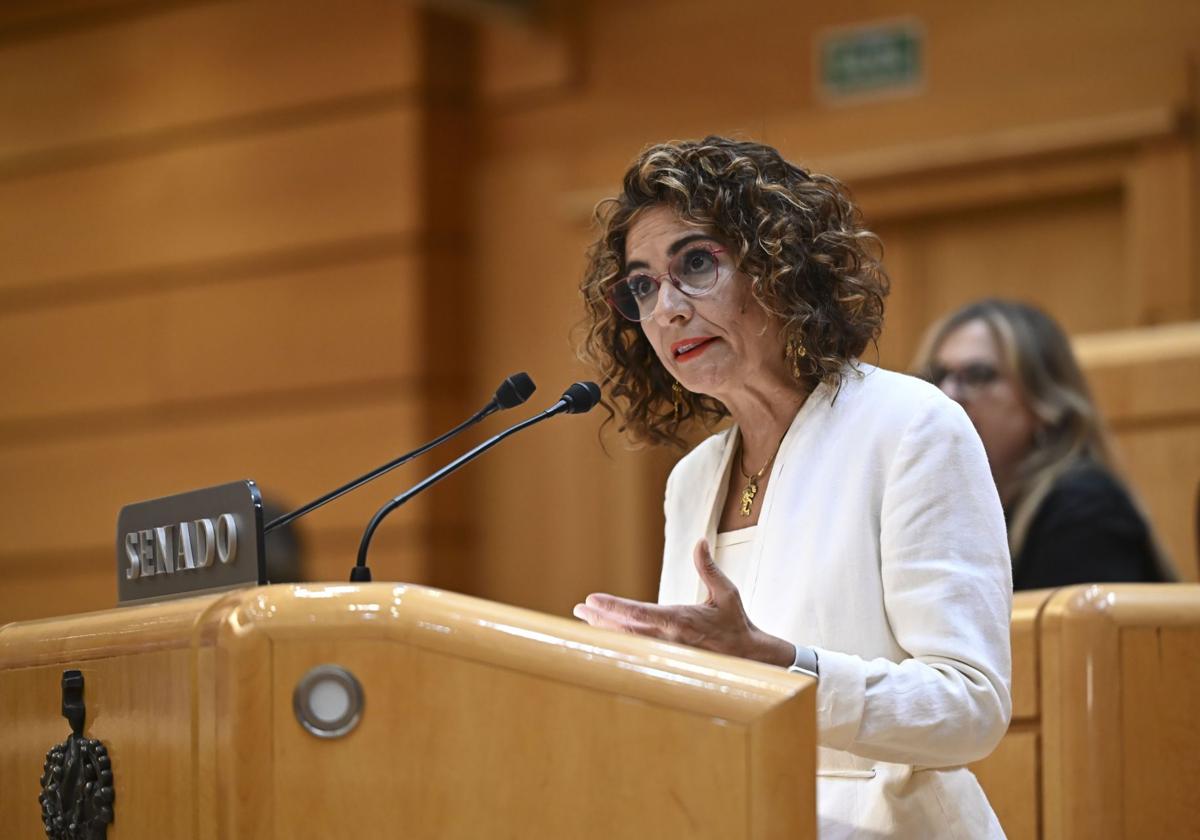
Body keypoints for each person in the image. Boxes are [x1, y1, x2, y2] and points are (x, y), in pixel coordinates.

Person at [572, 137, 1012, 839]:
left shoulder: (911, 428)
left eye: (694, 265)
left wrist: (781, 666)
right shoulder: (691, 483)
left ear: (776, 266)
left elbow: (971, 707)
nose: (667, 310)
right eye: (643, 285)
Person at [912, 299, 1174, 590]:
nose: (948, 395)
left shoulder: (1085, 509)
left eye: (978, 375)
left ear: (1044, 403)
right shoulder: (949, 511)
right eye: (936, 377)